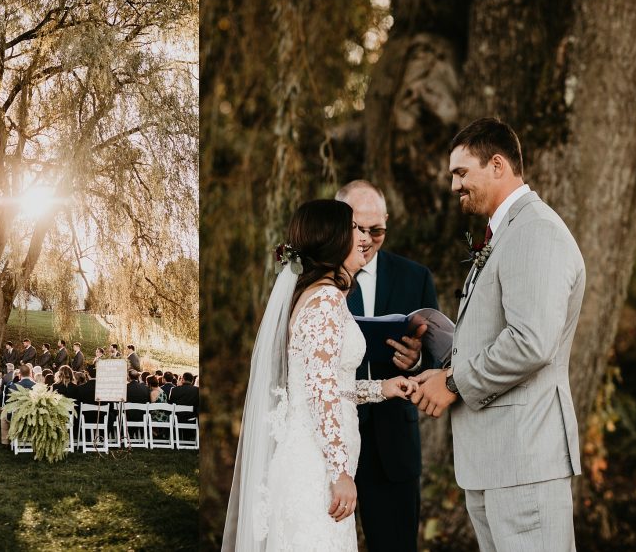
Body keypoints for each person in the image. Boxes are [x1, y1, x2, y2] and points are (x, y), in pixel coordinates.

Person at [410, 118, 585, 551]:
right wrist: (435, 351)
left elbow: (531, 341)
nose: (453, 185)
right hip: (497, 463)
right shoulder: (506, 233)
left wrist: (453, 382)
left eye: (461, 172)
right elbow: (499, 331)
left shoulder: (536, 231)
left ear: (498, 164)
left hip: (525, 464)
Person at [222, 199, 417, 551]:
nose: (363, 237)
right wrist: (339, 471)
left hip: (316, 458)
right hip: (315, 468)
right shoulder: (325, 300)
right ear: (334, 239)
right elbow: (320, 389)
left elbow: (328, 383)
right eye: (354, 229)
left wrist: (382, 389)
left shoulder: (320, 297)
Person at [334, 180, 439, 552]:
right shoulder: (316, 280)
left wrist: (418, 359)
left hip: (392, 441)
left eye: (376, 230)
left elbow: (439, 356)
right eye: (357, 228)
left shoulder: (416, 277)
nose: (367, 238)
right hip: (332, 441)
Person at [0, 363, 36, 445]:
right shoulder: (36, 385)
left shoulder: (13, 386)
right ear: (30, 373)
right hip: (32, 415)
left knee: (3, 415)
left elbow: (9, 403)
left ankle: (5, 442)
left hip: (17, 416)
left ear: (20, 374)